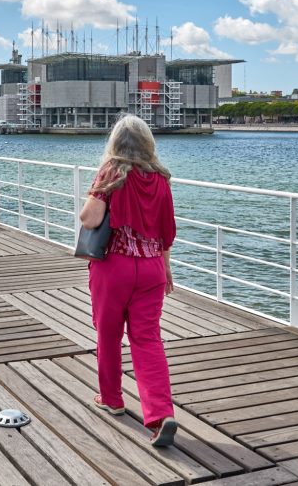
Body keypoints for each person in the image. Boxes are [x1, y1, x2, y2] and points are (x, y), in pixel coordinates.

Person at [79, 114, 178, 447]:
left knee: (108, 333)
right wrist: (166, 270)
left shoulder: (112, 173)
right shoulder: (161, 180)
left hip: (115, 266)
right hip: (151, 267)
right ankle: (161, 414)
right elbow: (167, 233)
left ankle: (112, 399)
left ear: (115, 143)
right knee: (148, 340)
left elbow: (89, 218)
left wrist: (98, 190)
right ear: (148, 143)